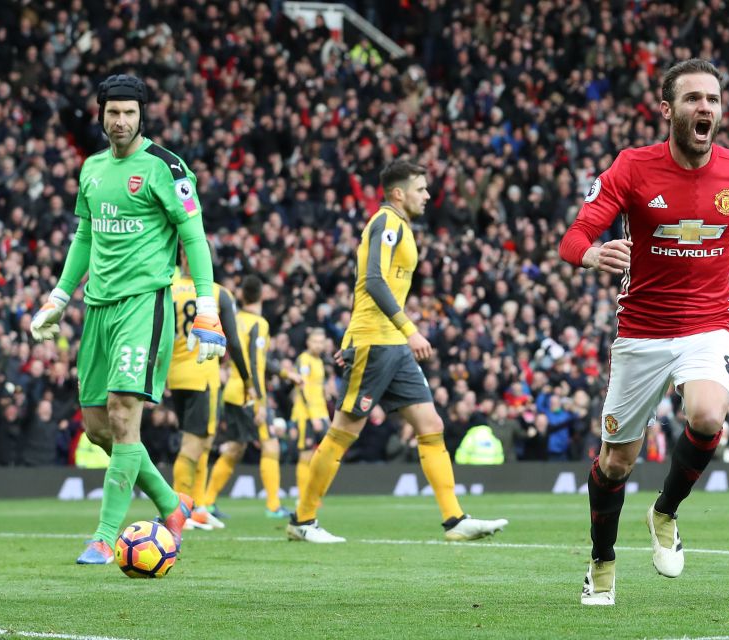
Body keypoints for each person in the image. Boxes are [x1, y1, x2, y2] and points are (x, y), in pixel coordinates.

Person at [557, 59, 729, 605]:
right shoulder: (632, 168)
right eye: (692, 99)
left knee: (709, 416)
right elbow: (575, 234)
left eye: (711, 99)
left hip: (709, 324)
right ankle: (601, 560)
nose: (704, 108)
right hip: (640, 331)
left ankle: (664, 513)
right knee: (616, 461)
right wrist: (591, 253)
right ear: (668, 110)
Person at [30, 74, 226, 564]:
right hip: (97, 308)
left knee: (123, 414)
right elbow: (85, 238)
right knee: (99, 428)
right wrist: (58, 297)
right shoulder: (92, 169)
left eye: (129, 113)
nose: (120, 121)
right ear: (101, 114)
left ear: (143, 116)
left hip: (145, 303)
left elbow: (194, 236)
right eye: (113, 112)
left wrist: (207, 306)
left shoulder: (166, 166)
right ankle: (170, 503)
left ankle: (104, 534)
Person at [287, 160, 508, 543]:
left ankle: (454, 519)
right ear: (398, 193)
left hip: (392, 344)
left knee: (431, 426)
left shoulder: (401, 227)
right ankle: (303, 520)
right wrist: (408, 330)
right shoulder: (386, 223)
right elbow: (372, 279)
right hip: (377, 340)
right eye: (421, 189)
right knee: (344, 431)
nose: (427, 195)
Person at [168, 257, 249, 531]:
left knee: (201, 442)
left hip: (175, 375)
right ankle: (178, 512)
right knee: (194, 445)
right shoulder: (216, 293)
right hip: (203, 376)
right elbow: (234, 342)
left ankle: (197, 506)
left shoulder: (168, 288)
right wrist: (246, 378)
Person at [202, 275, 289, 519]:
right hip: (248, 395)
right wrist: (259, 400)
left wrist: (284, 373)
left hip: (230, 391)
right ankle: (273, 506)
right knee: (270, 444)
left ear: (241, 296)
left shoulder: (234, 319)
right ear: (262, 295)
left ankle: (207, 503)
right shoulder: (259, 324)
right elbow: (253, 362)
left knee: (235, 449)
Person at [286, 328, 333, 504]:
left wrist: (325, 416)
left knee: (327, 452)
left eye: (321, 342)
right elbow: (302, 388)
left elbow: (319, 392)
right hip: (305, 415)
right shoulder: (304, 360)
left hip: (320, 413)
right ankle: (303, 496)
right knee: (305, 455)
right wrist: (313, 416)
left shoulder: (319, 361)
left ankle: (314, 491)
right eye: (316, 341)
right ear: (308, 342)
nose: (319, 345)